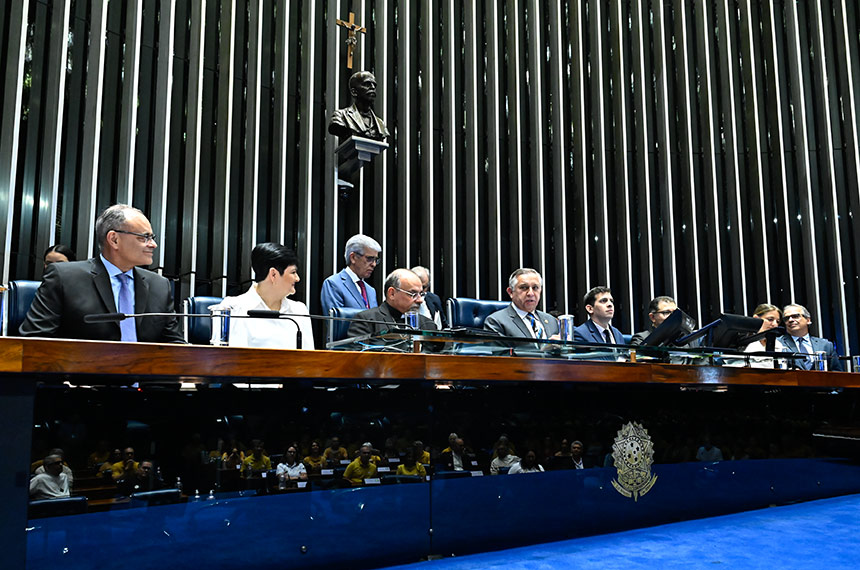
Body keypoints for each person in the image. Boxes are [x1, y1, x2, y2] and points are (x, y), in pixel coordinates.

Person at [20, 204, 184, 342]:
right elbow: (34, 340)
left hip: (148, 372)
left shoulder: (159, 285)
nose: (153, 244)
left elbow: (175, 345)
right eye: (144, 237)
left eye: (152, 237)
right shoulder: (64, 278)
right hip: (82, 371)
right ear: (114, 239)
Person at [219, 243, 314, 349]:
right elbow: (230, 356)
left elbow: (309, 355)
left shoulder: (299, 310)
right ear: (273, 274)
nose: (297, 278)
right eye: (293, 272)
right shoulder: (232, 308)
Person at [346, 268, 438, 337]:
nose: (420, 300)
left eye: (421, 294)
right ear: (392, 293)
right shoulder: (366, 321)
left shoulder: (428, 324)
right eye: (413, 294)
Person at [483, 268, 560, 340]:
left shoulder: (552, 321)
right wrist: (546, 348)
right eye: (524, 287)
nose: (531, 293)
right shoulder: (496, 321)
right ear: (510, 292)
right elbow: (499, 350)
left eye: (535, 288)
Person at [320, 234, 382, 315]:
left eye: (375, 260)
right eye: (369, 259)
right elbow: (336, 320)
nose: (374, 264)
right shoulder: (333, 284)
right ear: (353, 257)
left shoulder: (371, 291)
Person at [778, 304, 844, 371]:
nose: (790, 320)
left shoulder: (825, 345)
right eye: (786, 318)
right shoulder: (778, 343)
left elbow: (836, 372)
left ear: (808, 320)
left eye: (795, 316)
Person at [328, 71, 389, 141]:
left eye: (374, 85)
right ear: (354, 92)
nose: (372, 87)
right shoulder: (341, 116)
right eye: (367, 84)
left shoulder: (381, 124)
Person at [737, 304, 786, 368]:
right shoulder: (742, 343)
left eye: (777, 321)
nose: (775, 324)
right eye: (770, 319)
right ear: (756, 318)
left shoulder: (779, 344)